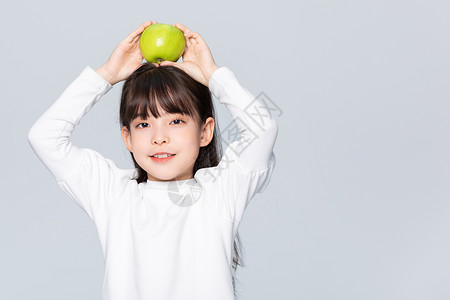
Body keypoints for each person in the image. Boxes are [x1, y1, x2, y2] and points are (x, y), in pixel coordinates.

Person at [28, 20, 278, 300]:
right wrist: (107, 75)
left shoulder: (220, 191)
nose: (160, 137)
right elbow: (44, 136)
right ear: (128, 138)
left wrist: (213, 75)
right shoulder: (114, 195)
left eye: (176, 120)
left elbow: (263, 128)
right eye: (144, 124)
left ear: (205, 132)